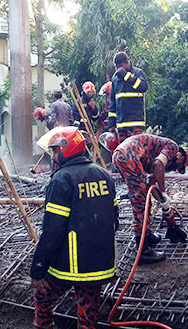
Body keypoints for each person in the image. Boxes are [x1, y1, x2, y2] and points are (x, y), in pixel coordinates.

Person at [30, 126, 118, 329]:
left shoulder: (62, 179)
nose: (52, 156)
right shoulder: (104, 175)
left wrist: (38, 269)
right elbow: (114, 219)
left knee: (42, 296)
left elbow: (52, 231)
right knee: (88, 314)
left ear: (64, 149)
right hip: (99, 265)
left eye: (53, 151)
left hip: (70, 266)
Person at [112, 134, 188, 264]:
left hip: (123, 156)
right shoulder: (173, 147)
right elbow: (159, 164)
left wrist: (165, 206)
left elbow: (151, 187)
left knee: (144, 197)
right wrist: (164, 193)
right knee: (140, 204)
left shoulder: (155, 159)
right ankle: (143, 251)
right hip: (129, 156)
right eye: (179, 167)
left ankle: (146, 236)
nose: (175, 169)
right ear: (181, 157)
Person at [108, 51, 148, 145]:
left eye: (121, 66)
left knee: (135, 151)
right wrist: (111, 124)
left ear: (127, 63)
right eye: (117, 67)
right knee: (123, 153)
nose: (118, 69)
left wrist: (127, 76)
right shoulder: (115, 79)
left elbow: (143, 87)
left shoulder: (137, 73)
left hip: (135, 123)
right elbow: (113, 102)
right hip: (121, 125)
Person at [72, 81, 99, 148]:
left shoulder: (92, 103)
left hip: (90, 129)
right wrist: (76, 131)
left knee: (91, 146)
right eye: (88, 93)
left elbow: (96, 117)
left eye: (91, 93)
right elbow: (76, 118)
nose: (90, 95)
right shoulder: (78, 102)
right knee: (86, 144)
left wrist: (94, 109)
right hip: (82, 129)